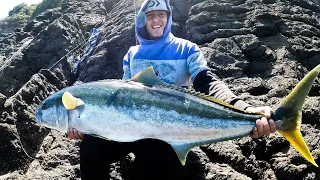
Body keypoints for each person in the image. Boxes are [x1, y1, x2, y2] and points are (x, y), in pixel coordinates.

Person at [68, 0, 277, 179]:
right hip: (131, 129)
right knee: (91, 147)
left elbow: (207, 82)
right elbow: (123, 97)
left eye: (161, 14)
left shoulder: (187, 49)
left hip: (170, 131)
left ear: (168, 18)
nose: (156, 20)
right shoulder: (132, 53)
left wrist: (244, 109)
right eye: (150, 15)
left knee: (153, 167)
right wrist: (85, 124)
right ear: (143, 19)